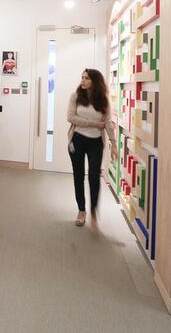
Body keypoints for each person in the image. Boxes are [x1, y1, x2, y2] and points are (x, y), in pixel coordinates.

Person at [66, 68, 117, 228]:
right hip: (77, 140)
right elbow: (71, 117)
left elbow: (107, 123)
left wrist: (114, 144)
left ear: (95, 81)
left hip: (96, 142)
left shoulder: (103, 100)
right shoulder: (75, 96)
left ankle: (94, 211)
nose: (83, 80)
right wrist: (95, 124)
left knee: (94, 177)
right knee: (78, 176)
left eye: (86, 78)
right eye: (82, 77)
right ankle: (82, 210)